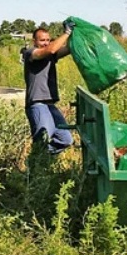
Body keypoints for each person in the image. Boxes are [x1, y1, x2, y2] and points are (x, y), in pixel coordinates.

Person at [20, 20, 76, 154]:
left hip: (50, 105)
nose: (45, 42)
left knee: (66, 139)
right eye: (42, 40)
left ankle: (43, 158)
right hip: (37, 104)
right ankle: (36, 167)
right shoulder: (31, 53)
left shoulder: (50, 55)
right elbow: (50, 49)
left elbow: (68, 49)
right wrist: (67, 32)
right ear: (35, 41)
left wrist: (75, 35)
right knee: (42, 140)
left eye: (48, 40)